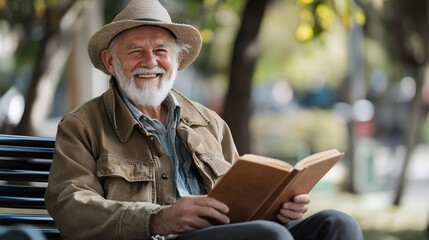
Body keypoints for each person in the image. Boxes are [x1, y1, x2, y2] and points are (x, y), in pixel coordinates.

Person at [44, 0, 364, 239]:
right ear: (110, 62)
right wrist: (157, 218)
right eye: (135, 52)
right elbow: (72, 207)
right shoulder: (82, 126)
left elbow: (245, 196)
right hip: (160, 237)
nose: (150, 62)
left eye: (161, 51)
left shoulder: (208, 121)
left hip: (229, 233)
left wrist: (279, 206)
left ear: (176, 60)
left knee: (337, 224)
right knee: (270, 237)